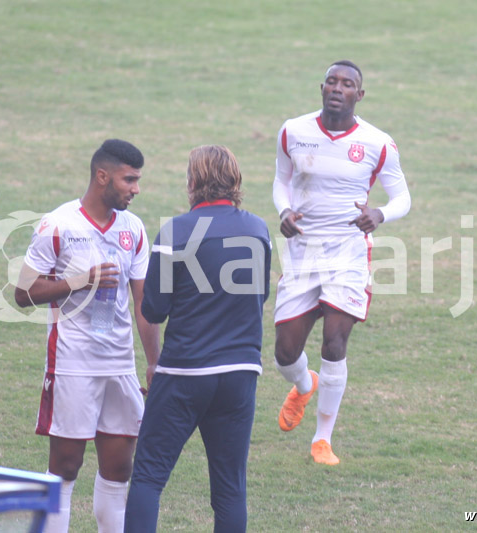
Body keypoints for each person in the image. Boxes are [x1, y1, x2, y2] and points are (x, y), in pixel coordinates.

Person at [14, 139, 160, 533]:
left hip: (119, 365)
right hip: (73, 363)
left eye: (138, 180)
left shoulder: (134, 228)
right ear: (102, 176)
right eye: (129, 180)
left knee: (118, 469)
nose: (136, 189)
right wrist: (80, 281)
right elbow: (22, 294)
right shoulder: (58, 225)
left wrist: (153, 364)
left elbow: (144, 304)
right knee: (64, 467)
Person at [124, 145, 272, 533]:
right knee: (230, 490)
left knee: (148, 478)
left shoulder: (176, 231)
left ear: (194, 182)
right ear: (235, 180)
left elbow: (153, 309)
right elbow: (261, 296)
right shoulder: (258, 229)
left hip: (184, 371)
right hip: (241, 372)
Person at [272, 60, 411, 465]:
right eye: (331, 81)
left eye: (347, 84)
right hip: (303, 251)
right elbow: (281, 181)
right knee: (284, 351)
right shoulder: (293, 131)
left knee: (335, 341)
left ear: (359, 95)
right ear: (321, 88)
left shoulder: (376, 142)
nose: (338, 88)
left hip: (349, 251)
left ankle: (322, 439)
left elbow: (402, 197)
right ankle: (302, 385)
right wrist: (284, 212)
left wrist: (381, 214)